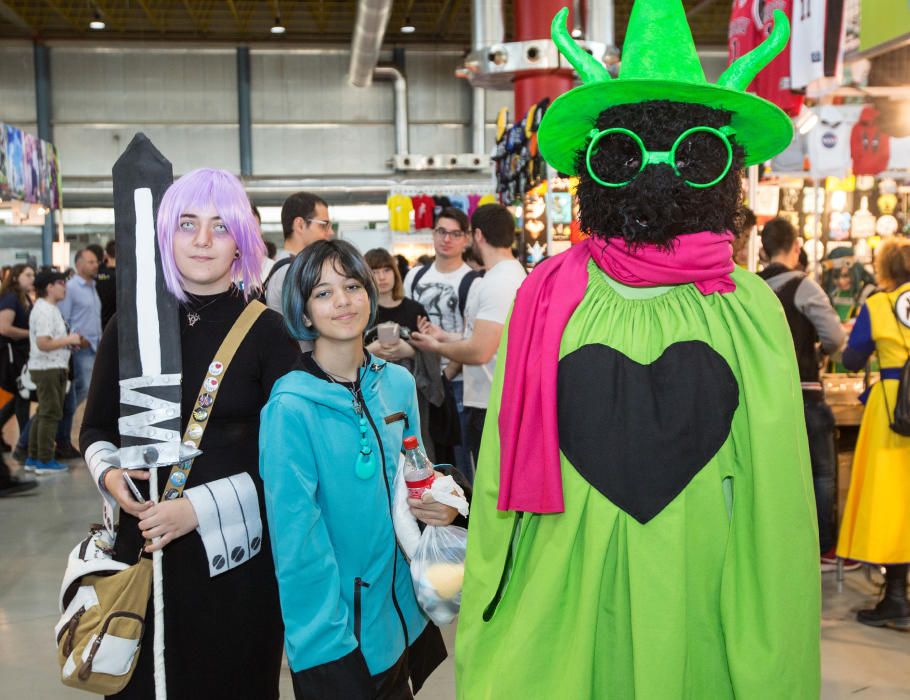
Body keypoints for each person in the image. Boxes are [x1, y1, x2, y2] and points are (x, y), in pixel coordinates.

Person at [456, 7, 819, 698]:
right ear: (595, 164)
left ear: (725, 168)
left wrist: (770, 641)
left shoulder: (747, 306)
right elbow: (505, 467)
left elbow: (776, 498)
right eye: (623, 152)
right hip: (564, 576)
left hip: (699, 578)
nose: (656, 175)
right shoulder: (546, 295)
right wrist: (491, 591)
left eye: (694, 155)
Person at [80, 167, 300, 698]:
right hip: (141, 554)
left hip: (235, 561)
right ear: (164, 235)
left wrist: (198, 508)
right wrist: (110, 475)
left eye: (220, 226)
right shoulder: (130, 326)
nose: (202, 240)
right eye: (187, 223)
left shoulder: (268, 332)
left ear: (241, 243)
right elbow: (94, 427)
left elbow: (290, 458)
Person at [260, 239, 453, 698]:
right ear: (304, 313)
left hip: (402, 616)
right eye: (323, 293)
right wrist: (325, 645)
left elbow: (416, 469)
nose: (343, 301)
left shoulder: (398, 383)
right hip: (338, 637)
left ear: (370, 294)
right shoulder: (290, 407)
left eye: (351, 286)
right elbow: (296, 544)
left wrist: (442, 502)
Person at [758, 217, 846, 570]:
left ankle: (773, 545)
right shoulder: (805, 287)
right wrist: (822, 352)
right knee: (821, 473)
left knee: (771, 474)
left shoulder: (751, 288)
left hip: (763, 396)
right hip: (805, 393)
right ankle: (822, 548)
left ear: (763, 250)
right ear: (796, 247)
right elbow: (836, 339)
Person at [411, 204, 526, 471]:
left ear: (477, 236)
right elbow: (490, 337)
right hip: (491, 398)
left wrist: (436, 346)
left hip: (492, 402)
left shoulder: (500, 281)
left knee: (487, 480)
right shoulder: (502, 276)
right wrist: (446, 337)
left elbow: (480, 351)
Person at [837, 237, 910, 630]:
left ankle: (895, 596)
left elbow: (850, 359)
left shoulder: (878, 306)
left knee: (890, 499)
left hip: (892, 407)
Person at [403, 207, 482, 472]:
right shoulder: (415, 276)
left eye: (455, 233)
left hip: (457, 382)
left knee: (460, 463)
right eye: (441, 231)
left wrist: (447, 373)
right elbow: (407, 321)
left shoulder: (473, 281)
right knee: (425, 457)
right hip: (422, 380)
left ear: (466, 238)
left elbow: (474, 337)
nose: (446, 239)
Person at [364, 247, 442, 460]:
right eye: (375, 271)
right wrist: (373, 350)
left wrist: (409, 350)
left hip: (413, 390)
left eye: (386, 270)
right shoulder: (362, 311)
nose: (381, 277)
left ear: (395, 272)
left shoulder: (414, 309)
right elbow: (349, 353)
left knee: (417, 440)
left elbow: (433, 351)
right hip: (373, 392)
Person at [27, 270, 81, 474]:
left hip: (50, 367)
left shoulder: (48, 309)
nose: (64, 286)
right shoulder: (44, 311)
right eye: (60, 282)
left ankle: (34, 457)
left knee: (43, 412)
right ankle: (44, 459)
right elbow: (43, 343)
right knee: (50, 413)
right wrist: (69, 340)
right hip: (48, 368)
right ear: (49, 287)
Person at [56, 247, 102, 457]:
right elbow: (63, 319)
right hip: (79, 348)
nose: (96, 265)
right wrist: (76, 339)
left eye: (96, 262)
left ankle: (62, 437)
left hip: (93, 346)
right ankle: (61, 438)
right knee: (77, 394)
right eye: (91, 262)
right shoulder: (72, 288)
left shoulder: (92, 286)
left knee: (79, 394)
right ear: (79, 263)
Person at [263, 191, 332, 314]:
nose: (330, 232)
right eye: (324, 225)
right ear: (300, 225)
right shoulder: (292, 271)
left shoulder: (290, 267)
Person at [0, 264, 35, 452]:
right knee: (23, 395)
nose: (32, 278)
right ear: (15, 277)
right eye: (28, 275)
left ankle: (23, 441)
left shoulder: (24, 297)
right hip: (12, 354)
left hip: (21, 354)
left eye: (33, 275)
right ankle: (25, 443)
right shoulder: (11, 298)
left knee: (21, 396)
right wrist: (31, 334)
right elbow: (4, 327)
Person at [96, 239, 117, 329]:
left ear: (106, 254)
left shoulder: (97, 273)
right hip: (117, 322)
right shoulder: (124, 275)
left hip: (100, 323)